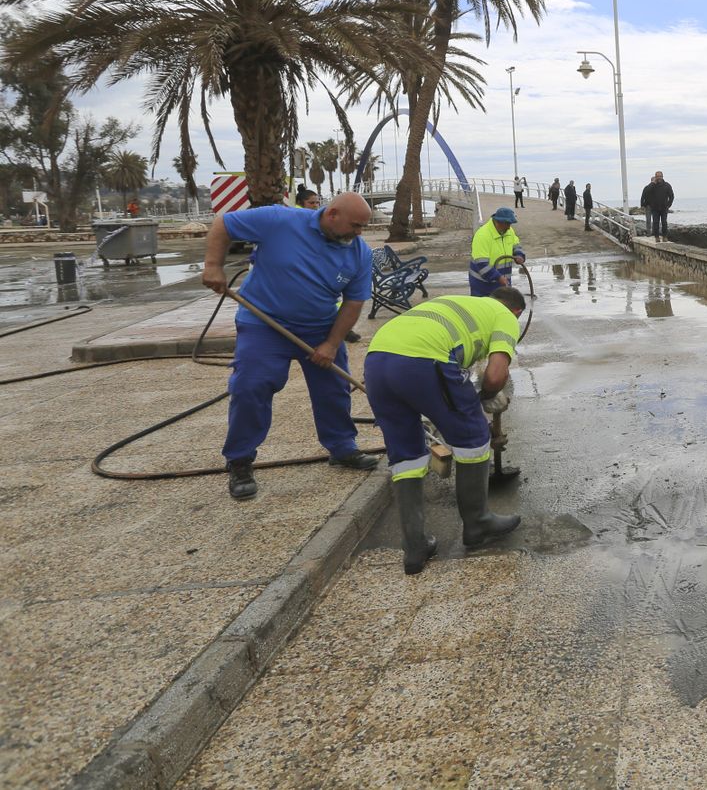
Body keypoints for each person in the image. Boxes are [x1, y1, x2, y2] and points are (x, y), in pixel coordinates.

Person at [201, 192, 378, 500]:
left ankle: (342, 448)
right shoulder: (279, 220)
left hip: (320, 327)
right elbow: (223, 224)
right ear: (332, 213)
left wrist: (331, 343)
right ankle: (240, 459)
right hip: (264, 324)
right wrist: (213, 265)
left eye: (363, 227)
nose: (359, 233)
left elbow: (353, 302)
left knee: (334, 387)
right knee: (251, 384)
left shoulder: (359, 253)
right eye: (355, 225)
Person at [365, 286, 525, 573]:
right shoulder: (506, 316)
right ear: (516, 311)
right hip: (425, 359)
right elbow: (495, 374)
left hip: (377, 359)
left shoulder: (462, 304)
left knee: (407, 455)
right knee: (474, 437)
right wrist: (487, 396)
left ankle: (415, 546)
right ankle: (477, 524)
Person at [469, 207, 526, 296]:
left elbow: (516, 244)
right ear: (498, 222)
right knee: (485, 308)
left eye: (510, 224)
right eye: (507, 224)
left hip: (503, 282)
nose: (509, 227)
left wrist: (519, 255)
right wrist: (498, 277)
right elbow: (482, 264)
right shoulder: (482, 235)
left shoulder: (508, 230)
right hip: (483, 285)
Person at [640, 170, 674, 242]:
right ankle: (657, 237)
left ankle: (665, 236)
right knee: (655, 223)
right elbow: (646, 192)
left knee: (664, 222)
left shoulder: (667, 185)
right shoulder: (652, 186)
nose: (659, 178)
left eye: (660, 176)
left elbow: (671, 196)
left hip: (664, 207)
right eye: (657, 176)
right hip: (654, 208)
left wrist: (668, 205)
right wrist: (652, 183)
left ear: (662, 177)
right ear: (655, 177)